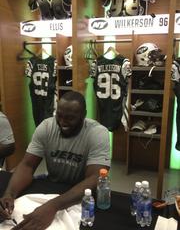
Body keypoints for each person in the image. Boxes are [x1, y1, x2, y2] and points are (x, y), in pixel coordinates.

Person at [0, 91, 110, 230]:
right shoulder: (46, 127)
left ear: (83, 115)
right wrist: (9, 194)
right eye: (59, 116)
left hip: (81, 193)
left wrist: (53, 206)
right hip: (52, 185)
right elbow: (27, 165)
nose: (63, 122)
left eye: (70, 118)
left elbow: (95, 178)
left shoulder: (98, 133)